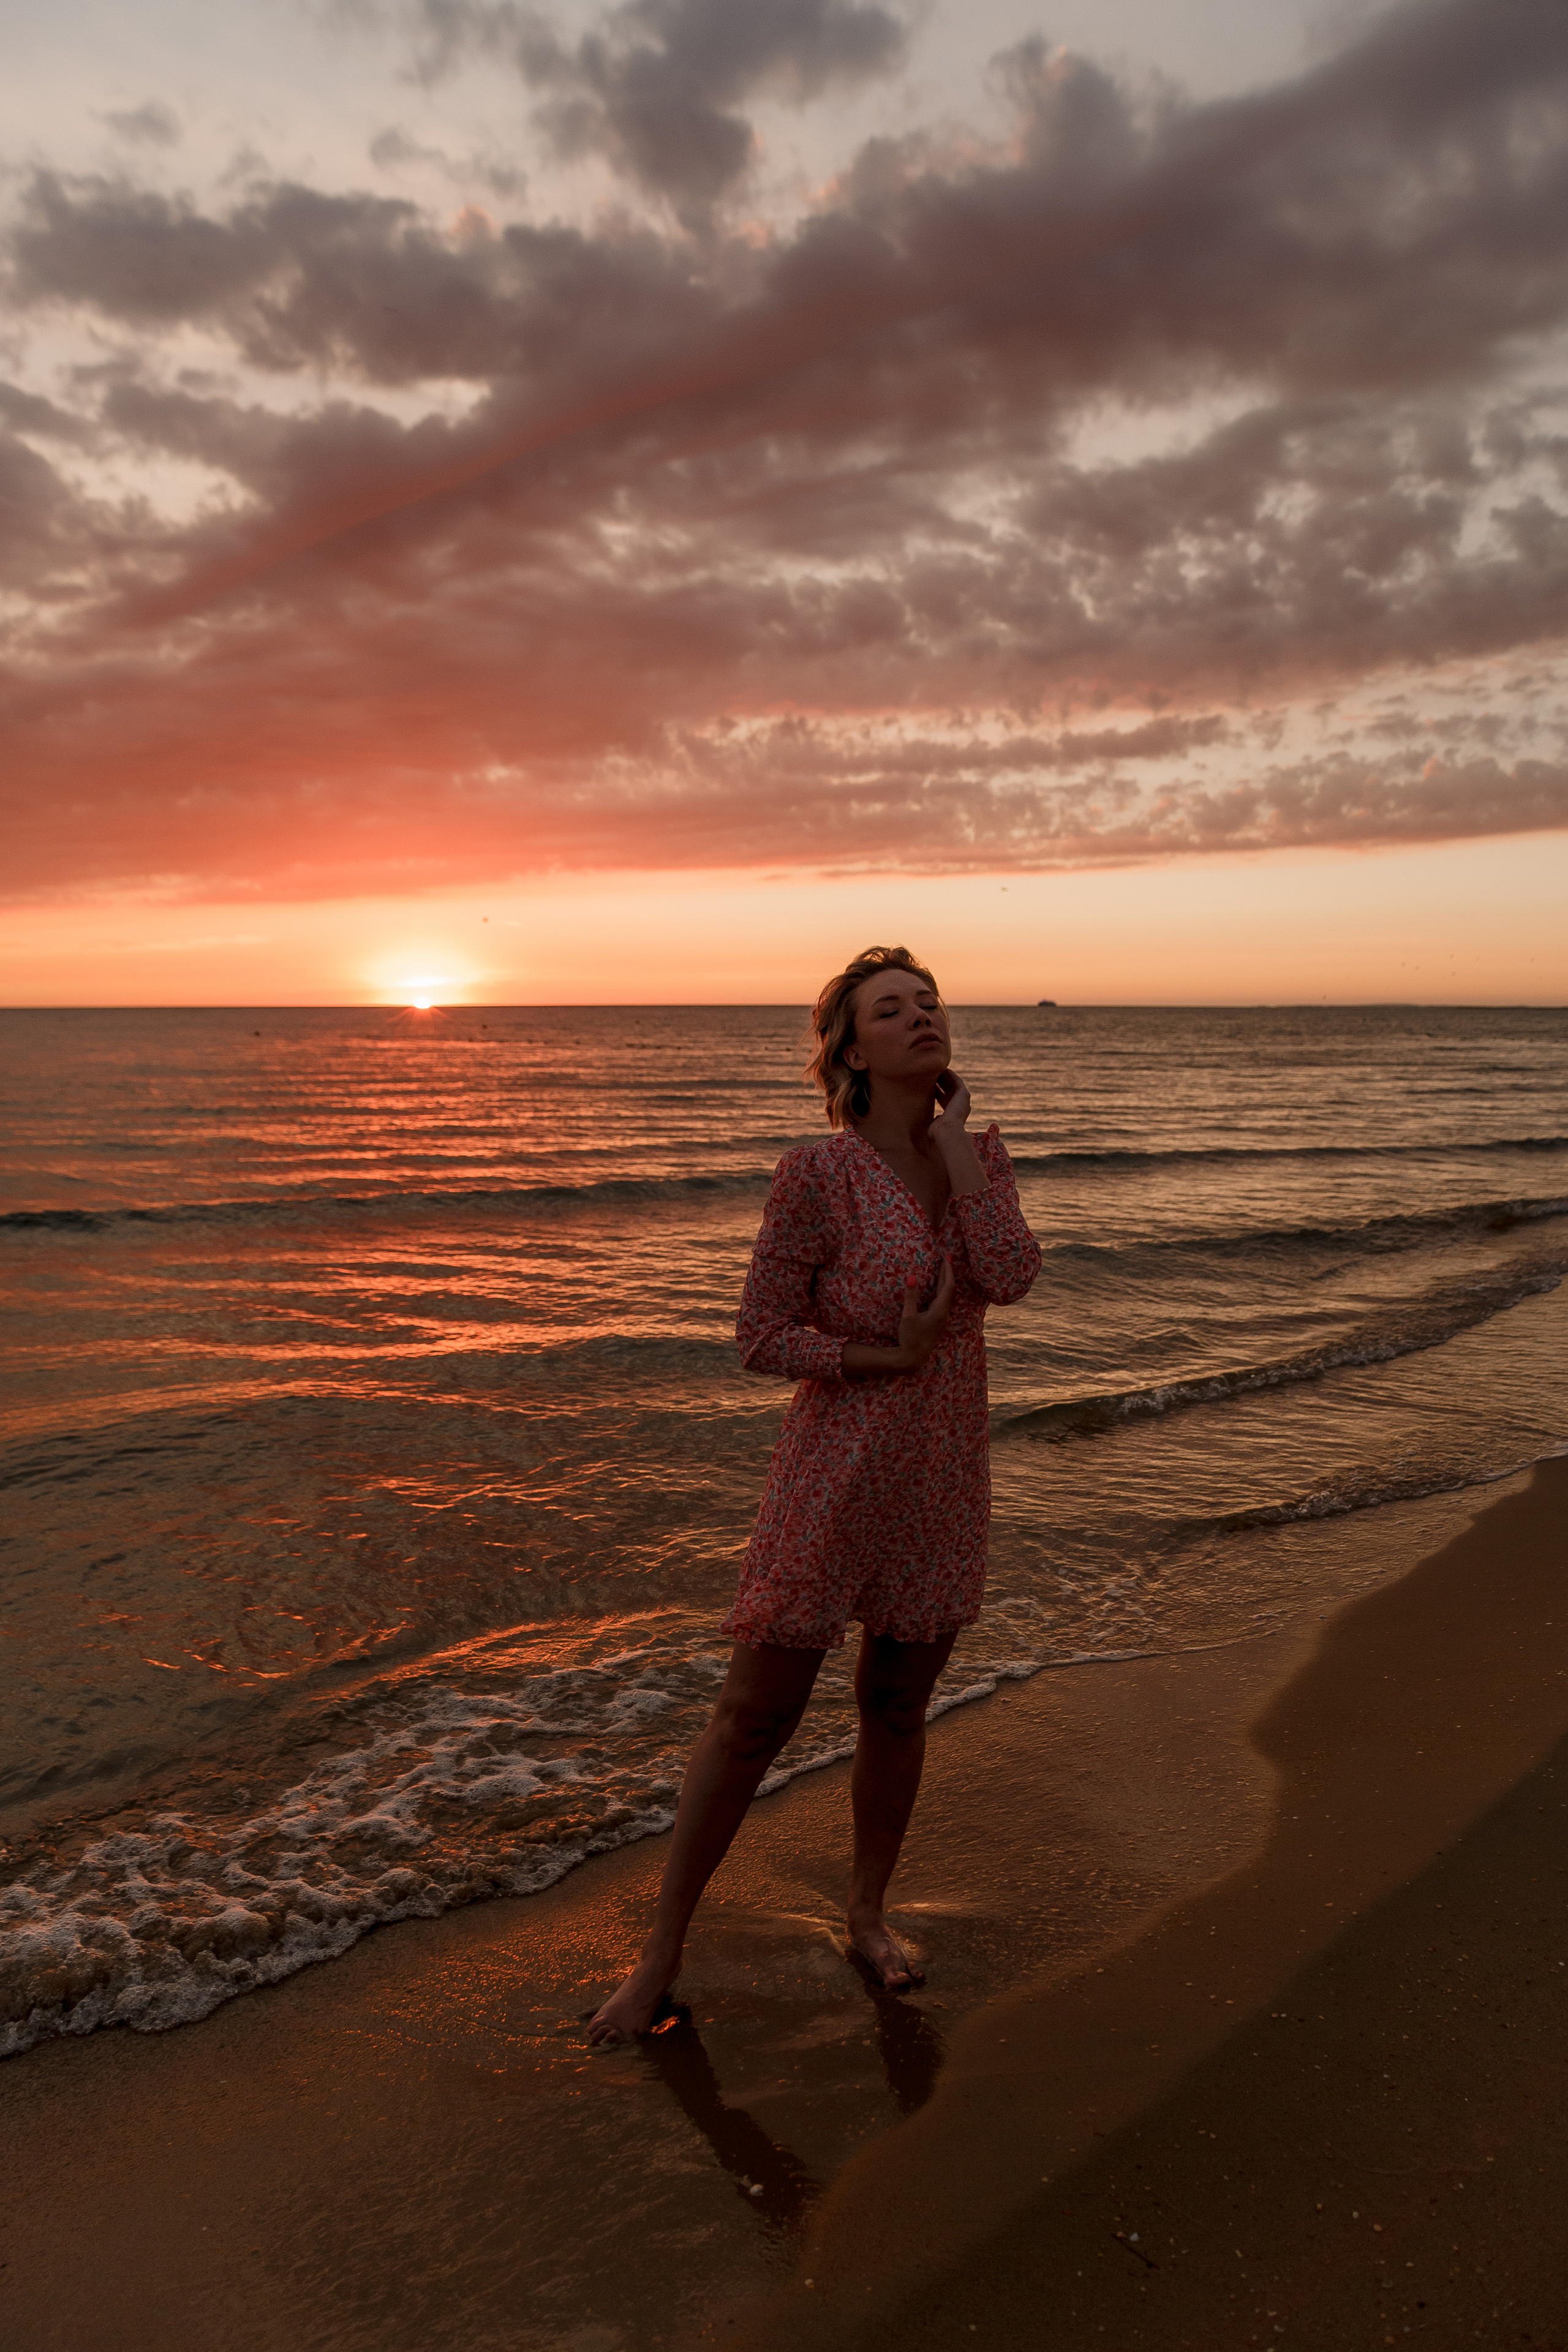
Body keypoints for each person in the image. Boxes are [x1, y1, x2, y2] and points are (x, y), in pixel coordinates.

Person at [587, 945, 1041, 2043]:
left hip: (940, 1476)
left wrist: (954, 1151)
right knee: (756, 1719)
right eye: (892, 1009)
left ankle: (868, 1916)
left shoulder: (977, 1153)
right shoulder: (815, 1176)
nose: (922, 1017)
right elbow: (760, 1337)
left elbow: (1012, 1276)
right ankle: (659, 1959)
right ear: (849, 1048)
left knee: (896, 1703)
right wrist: (885, 1357)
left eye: (929, 1003)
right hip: (833, 1475)